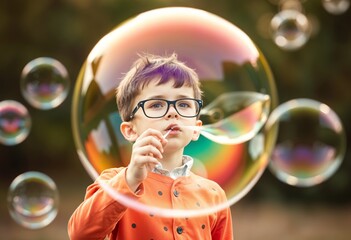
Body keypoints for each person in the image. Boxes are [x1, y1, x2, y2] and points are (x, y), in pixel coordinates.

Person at [68, 53, 234, 240]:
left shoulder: (214, 194)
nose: (172, 112)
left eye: (184, 104)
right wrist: (131, 178)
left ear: (196, 128)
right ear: (130, 130)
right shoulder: (115, 181)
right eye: (156, 105)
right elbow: (80, 234)